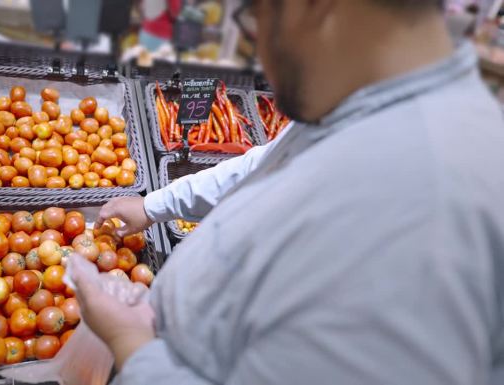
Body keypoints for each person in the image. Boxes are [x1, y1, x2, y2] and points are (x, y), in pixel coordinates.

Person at [72, 0, 504, 384]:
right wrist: (155, 205)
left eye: (256, 15)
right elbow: (265, 163)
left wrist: (132, 342)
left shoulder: (422, 207)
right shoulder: (363, 99)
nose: (256, 45)